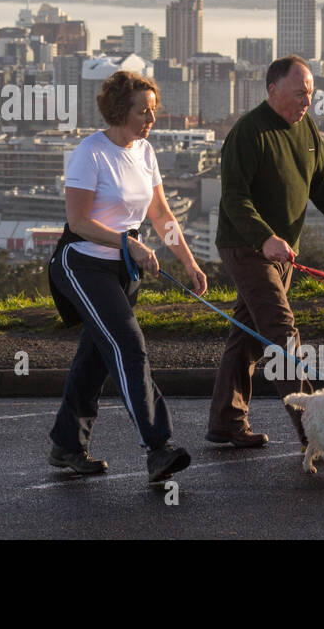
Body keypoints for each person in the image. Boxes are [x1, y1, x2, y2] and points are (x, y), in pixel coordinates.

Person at [47, 69, 208, 483]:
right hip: (81, 263)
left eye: (154, 110)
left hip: (123, 266)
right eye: (143, 112)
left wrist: (188, 262)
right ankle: (158, 448)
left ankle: (67, 444)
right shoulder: (90, 152)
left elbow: (161, 214)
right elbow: (78, 222)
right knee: (129, 346)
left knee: (97, 357)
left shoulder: (144, 151)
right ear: (121, 111)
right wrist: (128, 242)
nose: (151, 119)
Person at [206, 55, 324, 448]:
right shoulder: (248, 133)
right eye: (299, 94)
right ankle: (315, 431)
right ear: (272, 90)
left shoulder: (307, 130)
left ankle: (226, 422)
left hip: (284, 252)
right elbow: (234, 198)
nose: (306, 103)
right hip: (247, 247)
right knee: (281, 331)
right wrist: (264, 238)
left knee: (247, 337)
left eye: (310, 95)